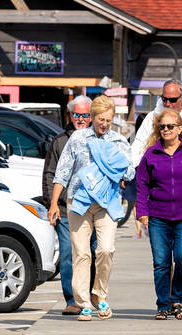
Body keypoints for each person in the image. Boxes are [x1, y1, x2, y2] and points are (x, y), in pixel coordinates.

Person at [48, 95, 133, 321]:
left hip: (106, 202)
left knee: (105, 250)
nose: (104, 124)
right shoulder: (77, 139)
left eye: (108, 120)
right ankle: (83, 302)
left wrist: (117, 166)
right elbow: (63, 171)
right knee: (81, 254)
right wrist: (54, 202)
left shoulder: (118, 142)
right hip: (79, 202)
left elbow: (129, 171)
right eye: (100, 119)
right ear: (92, 117)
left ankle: (99, 294)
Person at [136, 107, 182, 320]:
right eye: (162, 127)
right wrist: (141, 211)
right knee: (161, 262)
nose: (166, 130)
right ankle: (163, 304)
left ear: (179, 128)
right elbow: (142, 184)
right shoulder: (151, 153)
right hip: (158, 216)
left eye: (171, 126)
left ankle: (177, 298)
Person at [40, 96, 92, 313]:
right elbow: (50, 173)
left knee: (95, 253)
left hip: (93, 207)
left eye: (85, 115)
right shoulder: (59, 141)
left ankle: (89, 296)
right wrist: (51, 205)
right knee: (70, 254)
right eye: (76, 114)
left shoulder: (98, 138)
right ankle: (72, 301)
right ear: (69, 115)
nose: (80, 119)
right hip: (65, 208)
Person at [130, 81, 182, 178]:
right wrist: (130, 171)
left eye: (172, 100)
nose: (167, 103)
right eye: (164, 99)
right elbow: (139, 145)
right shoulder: (152, 117)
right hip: (158, 181)